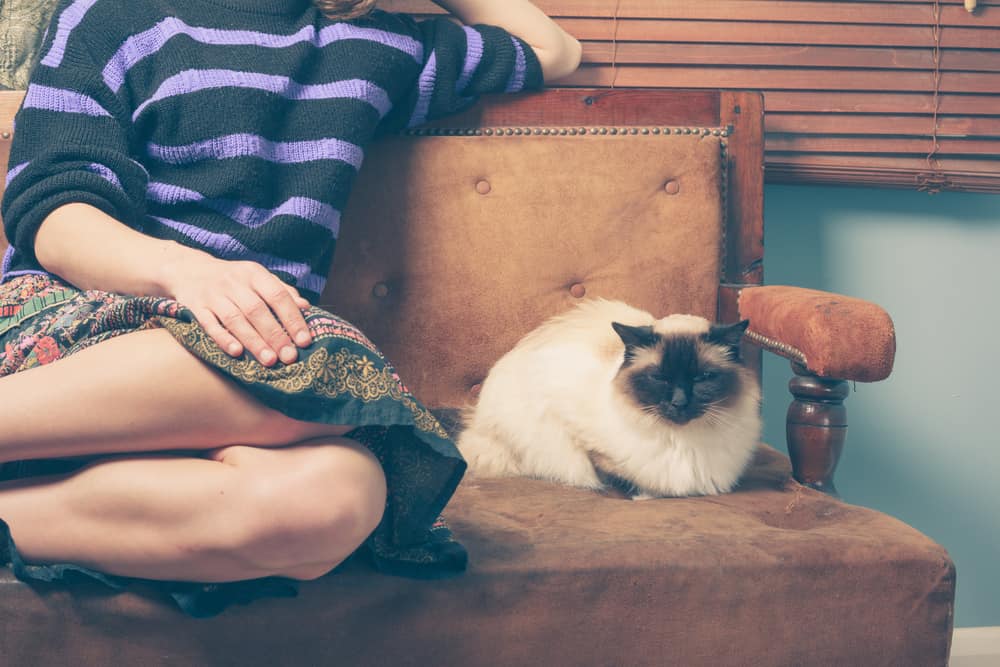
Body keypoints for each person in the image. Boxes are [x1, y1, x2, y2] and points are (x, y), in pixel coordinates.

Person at [0, 0, 581, 616]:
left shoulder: (383, 43)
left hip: (255, 353)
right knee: (326, 361)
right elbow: (53, 214)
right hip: (86, 321)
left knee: (338, 501)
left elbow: (554, 51)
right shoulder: (112, 14)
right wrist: (185, 273)